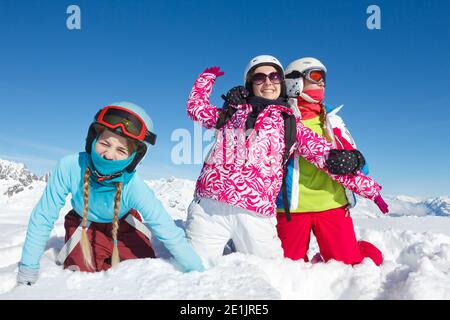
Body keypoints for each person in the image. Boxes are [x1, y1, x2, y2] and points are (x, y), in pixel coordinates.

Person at [185, 55, 388, 268]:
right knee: (200, 269)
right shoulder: (233, 113)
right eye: (259, 78)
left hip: (272, 208)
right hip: (223, 205)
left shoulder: (294, 122)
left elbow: (326, 157)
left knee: (278, 270)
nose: (267, 82)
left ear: (281, 83)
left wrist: (367, 182)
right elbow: (196, 109)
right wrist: (208, 81)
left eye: (273, 76)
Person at [17, 102, 204, 286]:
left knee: (142, 271)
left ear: (134, 157)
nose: (109, 155)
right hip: (84, 225)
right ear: (93, 139)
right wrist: (28, 267)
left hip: (124, 225)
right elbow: (44, 215)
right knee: (81, 278)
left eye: (121, 150)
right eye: (104, 143)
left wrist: (197, 272)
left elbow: (166, 229)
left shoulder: (133, 186)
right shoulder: (70, 167)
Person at [276, 57, 387, 266]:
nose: (322, 83)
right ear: (294, 82)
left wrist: (356, 160)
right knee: (286, 268)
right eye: (316, 76)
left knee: (350, 265)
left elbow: (364, 167)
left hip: (332, 205)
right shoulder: (277, 119)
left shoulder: (333, 121)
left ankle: (359, 248)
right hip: (290, 209)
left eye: (324, 79)